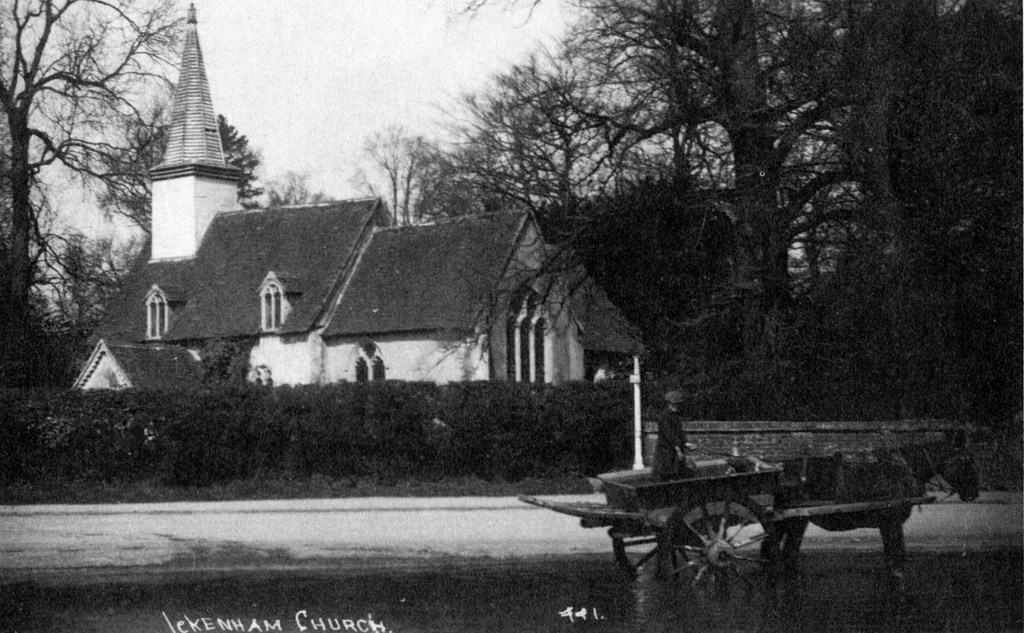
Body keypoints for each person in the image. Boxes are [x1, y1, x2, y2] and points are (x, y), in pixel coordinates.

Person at [653, 390, 692, 481]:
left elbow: (679, 432)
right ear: (669, 404)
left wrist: (686, 443)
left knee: (678, 474)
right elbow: (669, 435)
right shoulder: (664, 416)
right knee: (668, 475)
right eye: (674, 404)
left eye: (677, 404)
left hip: (675, 451)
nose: (676, 406)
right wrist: (678, 449)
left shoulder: (675, 416)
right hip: (666, 451)